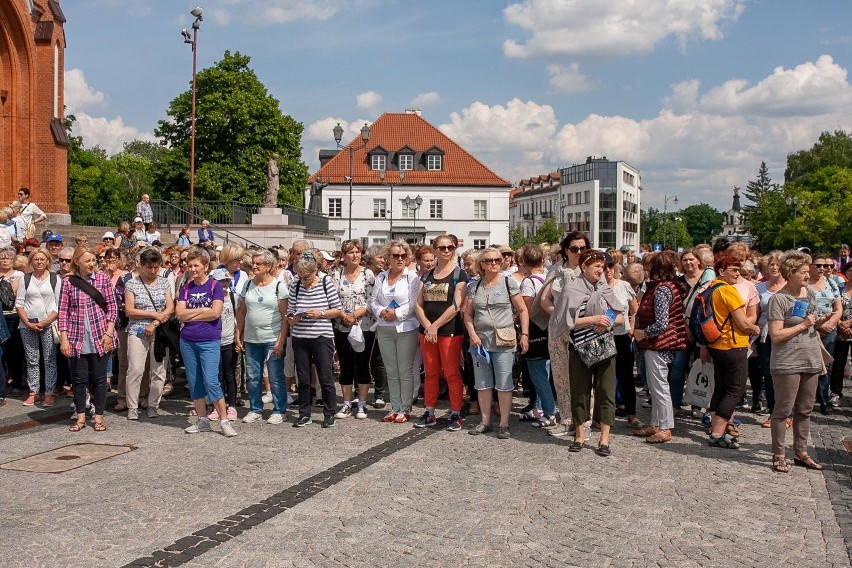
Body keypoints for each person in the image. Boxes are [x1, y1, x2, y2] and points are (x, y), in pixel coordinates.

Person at [559, 249, 625, 456]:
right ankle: (579, 435)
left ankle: (604, 439)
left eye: (602, 266)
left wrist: (607, 322)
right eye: (596, 266)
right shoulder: (572, 289)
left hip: (604, 346)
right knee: (580, 390)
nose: (601, 270)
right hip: (579, 347)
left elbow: (620, 315)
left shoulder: (605, 289)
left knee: (606, 391)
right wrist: (594, 320)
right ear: (584, 267)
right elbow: (565, 322)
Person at [767, 250, 825, 472]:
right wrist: (803, 325)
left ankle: (801, 452)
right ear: (790, 273)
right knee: (783, 410)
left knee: (805, 409)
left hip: (810, 358)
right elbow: (776, 335)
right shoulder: (778, 299)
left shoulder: (809, 293)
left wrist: (819, 322)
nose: (808, 275)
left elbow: (810, 323)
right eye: (803, 272)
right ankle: (779, 454)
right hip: (787, 362)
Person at [464, 247, 529, 439]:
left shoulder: (509, 283)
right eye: (489, 261)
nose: (494, 263)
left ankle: (504, 423)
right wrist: (472, 334)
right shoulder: (474, 287)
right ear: (481, 265)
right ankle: (485, 421)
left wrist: (524, 334)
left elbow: (523, 310)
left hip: (504, 341)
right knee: (483, 384)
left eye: (497, 260)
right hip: (480, 342)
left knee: (504, 383)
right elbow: (467, 314)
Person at [701, 253, 761, 449]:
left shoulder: (710, 287)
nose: (737, 273)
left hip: (716, 343)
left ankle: (715, 428)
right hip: (732, 344)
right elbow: (743, 322)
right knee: (735, 390)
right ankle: (718, 433)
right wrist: (755, 329)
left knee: (721, 386)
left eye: (738, 269)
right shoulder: (728, 291)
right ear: (721, 271)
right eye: (733, 270)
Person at [176, 246, 236, 437]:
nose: (192, 269)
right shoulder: (186, 287)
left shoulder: (215, 286)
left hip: (209, 340)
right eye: (189, 265)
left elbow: (215, 313)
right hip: (188, 340)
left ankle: (224, 420)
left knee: (212, 381)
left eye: (196, 265)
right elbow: (179, 314)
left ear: (205, 266)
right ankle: (202, 420)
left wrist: (191, 314)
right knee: (195, 382)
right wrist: (203, 311)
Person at [59, 245, 118, 432]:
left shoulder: (102, 279)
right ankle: (81, 417)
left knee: (100, 379)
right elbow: (63, 312)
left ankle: (99, 417)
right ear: (77, 262)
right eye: (87, 261)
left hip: (100, 335)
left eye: (93, 260)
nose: (92, 264)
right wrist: (64, 338)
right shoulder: (68, 282)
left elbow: (112, 307)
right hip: (77, 336)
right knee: (78, 380)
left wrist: (109, 332)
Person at [538, 231, 589, 438]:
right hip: (560, 330)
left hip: (586, 329)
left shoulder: (593, 269)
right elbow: (544, 300)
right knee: (561, 376)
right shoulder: (556, 270)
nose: (578, 252)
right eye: (574, 248)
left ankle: (584, 421)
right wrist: (558, 315)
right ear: (566, 251)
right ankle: (566, 418)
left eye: (582, 248)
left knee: (584, 377)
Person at [414, 235, 467, 431]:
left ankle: (455, 413)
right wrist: (428, 326)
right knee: (430, 373)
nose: (446, 251)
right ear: (435, 250)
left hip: (449, 331)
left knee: (451, 373)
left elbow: (456, 305)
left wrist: (435, 326)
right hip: (427, 332)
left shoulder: (458, 274)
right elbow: (418, 304)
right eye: (442, 248)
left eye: (450, 247)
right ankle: (429, 411)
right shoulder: (426, 276)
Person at [633, 251, 688, 443]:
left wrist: (643, 333)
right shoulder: (663, 287)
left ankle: (665, 427)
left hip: (659, 344)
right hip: (657, 343)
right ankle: (656, 423)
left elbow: (662, 323)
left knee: (660, 387)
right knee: (657, 386)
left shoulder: (663, 289)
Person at [287, 252, 343, 427]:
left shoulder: (326, 282)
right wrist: (293, 318)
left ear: (315, 271)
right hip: (300, 336)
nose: (304, 281)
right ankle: (304, 413)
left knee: (325, 376)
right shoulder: (295, 285)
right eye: (301, 277)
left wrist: (321, 313)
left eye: (307, 277)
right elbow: (289, 312)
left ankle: (329, 412)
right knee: (302, 378)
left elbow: (337, 310)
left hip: (321, 336)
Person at [235, 250, 289, 425]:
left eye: (259, 263)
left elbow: (285, 316)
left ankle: (279, 409)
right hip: (251, 338)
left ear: (269, 266)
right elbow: (242, 312)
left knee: (275, 376)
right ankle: (256, 408)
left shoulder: (278, 286)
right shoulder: (248, 285)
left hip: (272, 338)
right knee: (253, 376)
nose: (255, 266)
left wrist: (280, 341)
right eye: (253, 263)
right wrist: (239, 335)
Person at [370, 240, 421, 423]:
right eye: (395, 255)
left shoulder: (412, 277)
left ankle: (405, 408)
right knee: (391, 370)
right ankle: (395, 406)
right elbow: (373, 301)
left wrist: (396, 313)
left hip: (406, 327)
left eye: (403, 255)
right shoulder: (381, 277)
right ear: (388, 258)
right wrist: (381, 312)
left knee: (404, 369)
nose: (400, 259)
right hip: (384, 327)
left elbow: (414, 302)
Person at [123, 248, 174, 421]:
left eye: (156, 267)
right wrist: (153, 314)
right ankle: (132, 406)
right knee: (135, 369)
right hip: (137, 330)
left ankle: (154, 404)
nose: (153, 271)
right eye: (149, 267)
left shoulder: (164, 282)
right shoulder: (131, 283)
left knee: (159, 369)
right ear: (141, 266)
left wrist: (155, 322)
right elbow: (129, 310)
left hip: (159, 330)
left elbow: (170, 307)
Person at [331, 240, 376, 420]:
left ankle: (363, 403)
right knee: (345, 364)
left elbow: (371, 300)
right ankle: (347, 403)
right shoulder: (336, 274)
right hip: (342, 325)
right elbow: (333, 300)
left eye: (358, 252)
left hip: (363, 325)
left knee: (363, 363)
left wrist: (354, 315)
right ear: (344, 255)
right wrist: (344, 316)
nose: (355, 255)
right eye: (351, 252)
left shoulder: (368, 274)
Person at [15, 248, 61, 406]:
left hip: (48, 324)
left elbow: (58, 304)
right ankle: (33, 391)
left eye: (42, 259)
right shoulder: (25, 279)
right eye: (36, 259)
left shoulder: (55, 278)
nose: (39, 262)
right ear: (31, 261)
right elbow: (19, 304)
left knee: (49, 359)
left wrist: (46, 321)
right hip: (28, 324)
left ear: (48, 261)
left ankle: (49, 393)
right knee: (32, 359)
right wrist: (28, 322)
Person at [518, 245, 556, 428]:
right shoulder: (549, 278)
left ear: (524, 263)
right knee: (545, 372)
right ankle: (540, 407)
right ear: (542, 260)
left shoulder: (528, 282)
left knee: (538, 374)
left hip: (536, 331)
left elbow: (526, 309)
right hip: (550, 329)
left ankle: (549, 411)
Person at [808, 253, 843, 414]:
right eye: (819, 265)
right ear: (810, 266)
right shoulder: (804, 284)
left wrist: (829, 324)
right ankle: (806, 398)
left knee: (825, 365)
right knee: (809, 365)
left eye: (826, 266)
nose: (823, 268)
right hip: (810, 329)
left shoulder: (830, 282)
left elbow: (838, 308)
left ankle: (822, 399)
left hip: (829, 330)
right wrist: (818, 326)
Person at [754, 251, 786, 426]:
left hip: (788, 336)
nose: (774, 267)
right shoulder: (759, 288)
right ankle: (774, 413)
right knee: (769, 373)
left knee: (787, 375)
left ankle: (787, 413)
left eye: (778, 264)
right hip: (766, 336)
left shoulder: (791, 286)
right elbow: (755, 314)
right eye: (771, 264)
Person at [209, 268, 238, 422]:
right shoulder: (210, 298)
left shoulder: (234, 298)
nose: (224, 284)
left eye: (226, 281)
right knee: (216, 376)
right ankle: (217, 406)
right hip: (213, 342)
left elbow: (238, 320)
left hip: (229, 341)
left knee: (229, 374)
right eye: (220, 281)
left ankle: (232, 405)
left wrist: (238, 339)